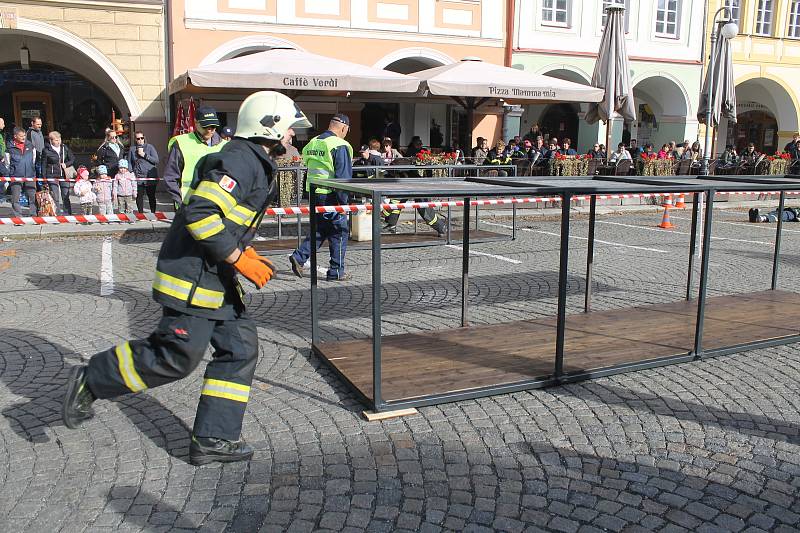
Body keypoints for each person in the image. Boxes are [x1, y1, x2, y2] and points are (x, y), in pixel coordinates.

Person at [62, 90, 310, 466]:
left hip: (216, 280)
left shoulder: (251, 160)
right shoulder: (242, 162)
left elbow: (224, 220)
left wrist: (242, 249)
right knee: (176, 358)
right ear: (271, 128)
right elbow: (200, 214)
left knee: (240, 350)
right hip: (194, 280)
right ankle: (92, 379)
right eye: (290, 129)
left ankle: (213, 438)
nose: (293, 136)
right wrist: (238, 256)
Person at [289, 114, 353, 282]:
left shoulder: (313, 142)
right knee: (339, 232)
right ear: (343, 128)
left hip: (313, 194)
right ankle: (336, 272)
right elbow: (343, 178)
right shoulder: (339, 145)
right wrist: (344, 203)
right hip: (331, 195)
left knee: (320, 230)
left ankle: (300, 256)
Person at [164, 106, 226, 206]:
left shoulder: (225, 146)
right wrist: (179, 201)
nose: (210, 130)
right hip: (188, 205)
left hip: (217, 207)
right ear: (196, 122)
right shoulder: (181, 143)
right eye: (206, 126)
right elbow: (170, 177)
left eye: (213, 127)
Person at [40, 131, 76, 215]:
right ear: (51, 141)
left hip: (64, 174)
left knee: (65, 195)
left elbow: (72, 159)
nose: (58, 141)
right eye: (56, 140)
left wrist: (66, 164)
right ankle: (57, 214)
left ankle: (68, 213)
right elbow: (43, 165)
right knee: (55, 196)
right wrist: (44, 180)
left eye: (59, 139)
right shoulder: (46, 150)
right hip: (52, 175)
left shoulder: (64, 148)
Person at [7, 127, 37, 217]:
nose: (24, 137)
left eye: (24, 135)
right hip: (16, 175)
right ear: (15, 136)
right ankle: (18, 217)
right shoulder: (10, 147)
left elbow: (34, 159)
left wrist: (31, 169)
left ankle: (33, 215)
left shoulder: (30, 145)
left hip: (30, 174)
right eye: (21, 136)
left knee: (32, 196)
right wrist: (13, 171)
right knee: (15, 197)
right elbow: (7, 163)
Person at [129, 131, 160, 213]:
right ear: (135, 139)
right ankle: (141, 214)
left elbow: (156, 160)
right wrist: (131, 172)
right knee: (139, 196)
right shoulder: (132, 149)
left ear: (144, 138)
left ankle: (153, 213)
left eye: (142, 138)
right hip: (138, 176)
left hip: (150, 176)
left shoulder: (150, 147)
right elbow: (129, 162)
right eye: (138, 138)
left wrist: (144, 155)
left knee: (151, 196)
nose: (140, 140)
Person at [26, 116, 45, 180]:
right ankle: (38, 188)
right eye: (38, 124)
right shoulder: (30, 132)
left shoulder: (40, 131)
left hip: (42, 156)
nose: (40, 126)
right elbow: (30, 146)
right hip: (35, 158)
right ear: (32, 123)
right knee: (37, 173)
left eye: (40, 124)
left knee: (42, 173)